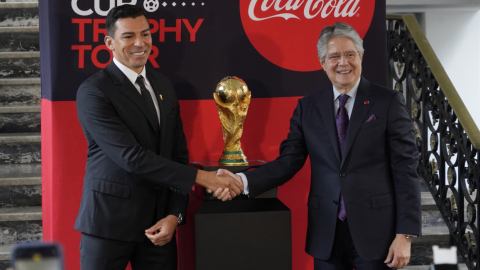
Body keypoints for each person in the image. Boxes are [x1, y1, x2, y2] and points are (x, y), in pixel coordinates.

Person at [214, 22, 422, 270]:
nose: (343, 62)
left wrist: (404, 234)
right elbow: (289, 160)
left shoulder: (388, 102)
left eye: (350, 54)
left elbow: (405, 169)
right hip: (326, 235)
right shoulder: (307, 107)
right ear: (322, 63)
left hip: (377, 234)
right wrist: (244, 182)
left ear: (361, 56)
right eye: (334, 56)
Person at [74, 5, 241, 270]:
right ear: (110, 42)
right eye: (128, 36)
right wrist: (204, 178)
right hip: (108, 224)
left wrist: (174, 214)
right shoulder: (94, 92)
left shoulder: (163, 84)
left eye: (145, 34)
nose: (140, 43)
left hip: (159, 227)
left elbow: (177, 155)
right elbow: (131, 157)